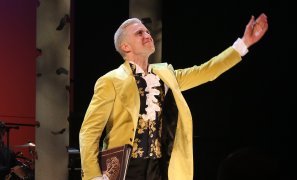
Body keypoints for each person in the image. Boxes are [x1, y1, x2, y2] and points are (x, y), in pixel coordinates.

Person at [79, 13, 268, 180]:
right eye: (140, 33)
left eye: (147, 31)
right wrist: (93, 176)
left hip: (158, 166)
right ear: (125, 46)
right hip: (125, 168)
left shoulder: (166, 74)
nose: (147, 35)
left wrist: (244, 43)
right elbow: (89, 131)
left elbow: (206, 71)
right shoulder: (110, 80)